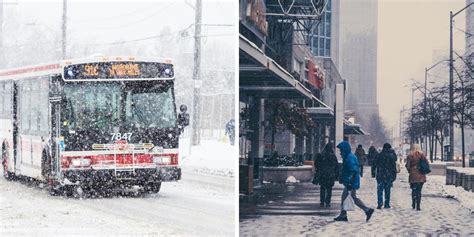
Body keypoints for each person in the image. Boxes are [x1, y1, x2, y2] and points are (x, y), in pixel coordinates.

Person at [334, 140, 374, 222]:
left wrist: (349, 181)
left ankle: (367, 210)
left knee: (352, 197)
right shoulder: (348, 156)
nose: (340, 152)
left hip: (351, 182)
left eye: (341, 150)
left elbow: (353, 170)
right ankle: (343, 214)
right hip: (351, 181)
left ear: (344, 149)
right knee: (346, 197)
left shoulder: (349, 157)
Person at [373, 143, 397, 209]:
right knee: (387, 190)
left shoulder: (378, 155)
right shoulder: (391, 156)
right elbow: (393, 167)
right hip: (388, 175)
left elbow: (374, 164)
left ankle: (380, 203)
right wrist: (394, 176)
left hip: (380, 174)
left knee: (380, 189)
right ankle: (387, 204)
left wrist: (373, 173)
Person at [315, 143, 339, 207]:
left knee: (322, 188)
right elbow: (336, 166)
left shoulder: (321, 155)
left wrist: (320, 169)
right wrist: (336, 175)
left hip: (323, 174)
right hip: (330, 175)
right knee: (329, 189)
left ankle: (322, 202)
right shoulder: (333, 156)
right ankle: (328, 202)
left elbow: (316, 164)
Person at [406, 144, 428, 211]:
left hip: (413, 175)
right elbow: (427, 164)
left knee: (414, 190)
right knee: (419, 191)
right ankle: (418, 205)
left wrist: (410, 171)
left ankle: (413, 203)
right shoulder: (422, 155)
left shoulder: (410, 156)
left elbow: (408, 166)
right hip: (421, 175)